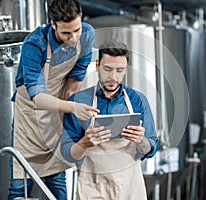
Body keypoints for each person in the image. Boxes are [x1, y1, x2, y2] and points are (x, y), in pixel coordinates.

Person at [9, 0, 99, 199]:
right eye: (66, 33)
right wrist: (71, 107)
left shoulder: (87, 34)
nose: (74, 37)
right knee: (19, 184)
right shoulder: (35, 44)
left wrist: (68, 111)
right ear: (53, 23)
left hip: (58, 111)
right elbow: (38, 98)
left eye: (76, 29)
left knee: (56, 182)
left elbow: (75, 78)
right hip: (29, 118)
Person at [61, 39, 158, 199]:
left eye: (120, 70)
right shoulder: (78, 101)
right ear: (98, 65)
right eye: (107, 69)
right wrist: (84, 143)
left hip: (130, 189)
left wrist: (141, 140)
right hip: (93, 189)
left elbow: (151, 148)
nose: (113, 77)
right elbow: (68, 153)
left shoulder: (138, 100)